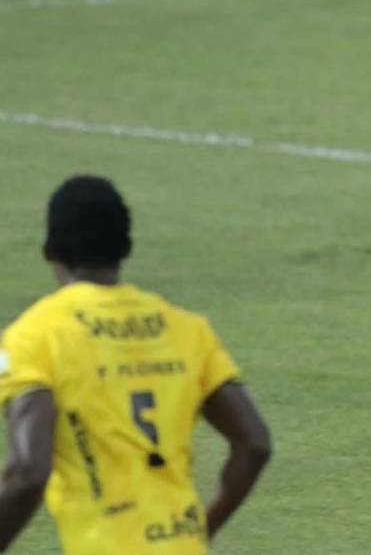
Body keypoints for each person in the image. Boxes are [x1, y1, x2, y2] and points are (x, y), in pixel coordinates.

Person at [0, 176, 271, 553]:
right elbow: (255, 443)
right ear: (125, 247)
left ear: (48, 249)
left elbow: (28, 472)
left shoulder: (34, 337)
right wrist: (202, 530)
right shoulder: (187, 330)